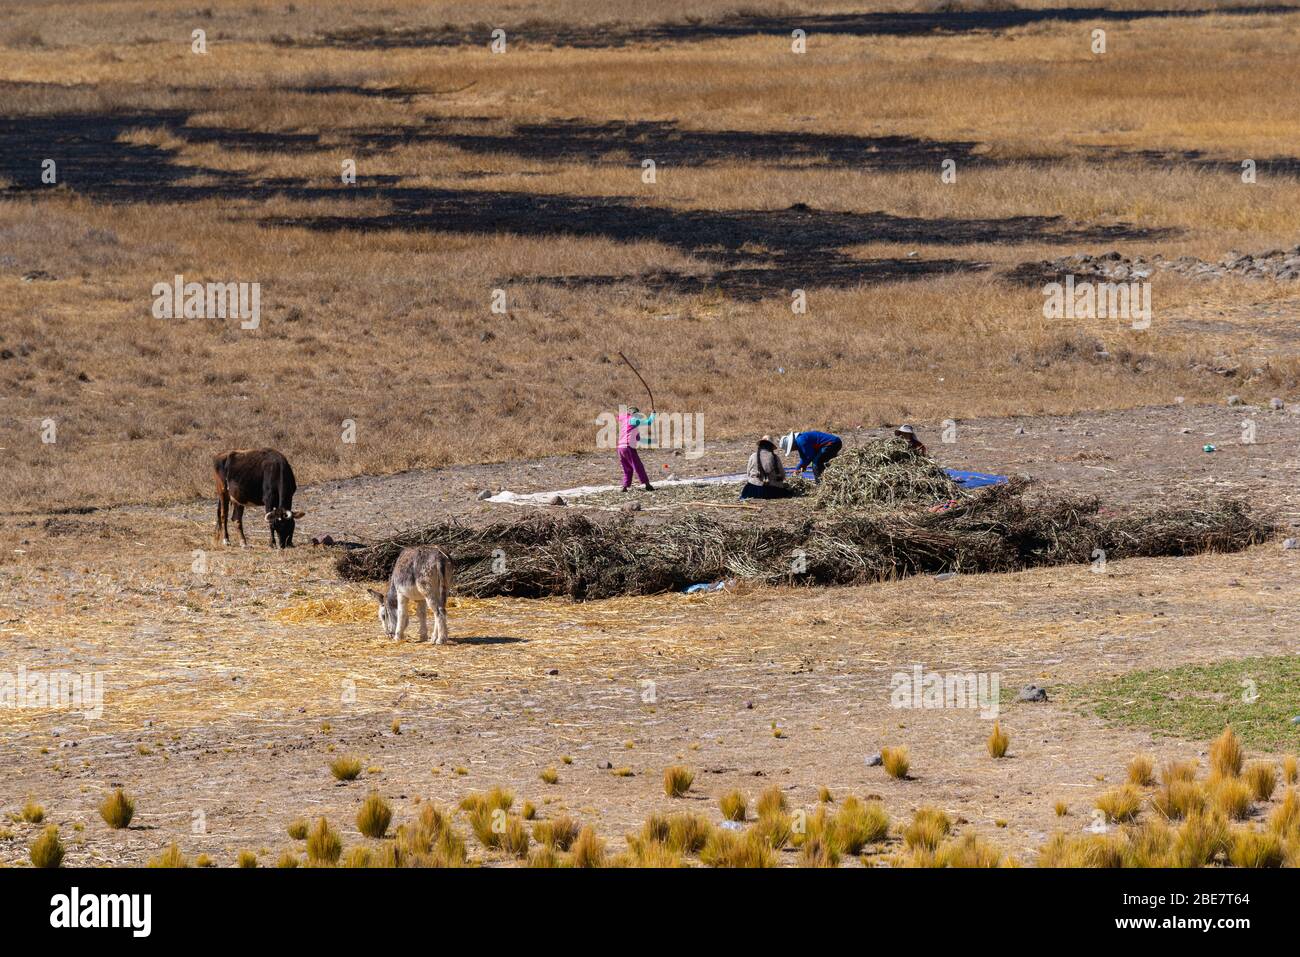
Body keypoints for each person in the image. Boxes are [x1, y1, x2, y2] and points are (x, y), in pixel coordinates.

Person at [740, 435, 794, 500]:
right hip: (772, 491)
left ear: (760, 445)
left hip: (753, 490)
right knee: (789, 492)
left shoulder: (753, 456)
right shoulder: (775, 458)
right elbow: (782, 476)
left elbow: (748, 473)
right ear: (771, 447)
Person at [618, 405, 655, 491]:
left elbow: (635, 436)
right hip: (628, 447)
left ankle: (625, 486)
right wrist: (653, 414)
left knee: (627, 467)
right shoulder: (633, 420)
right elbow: (649, 422)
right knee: (638, 466)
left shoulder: (624, 421)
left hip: (620, 447)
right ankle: (647, 485)